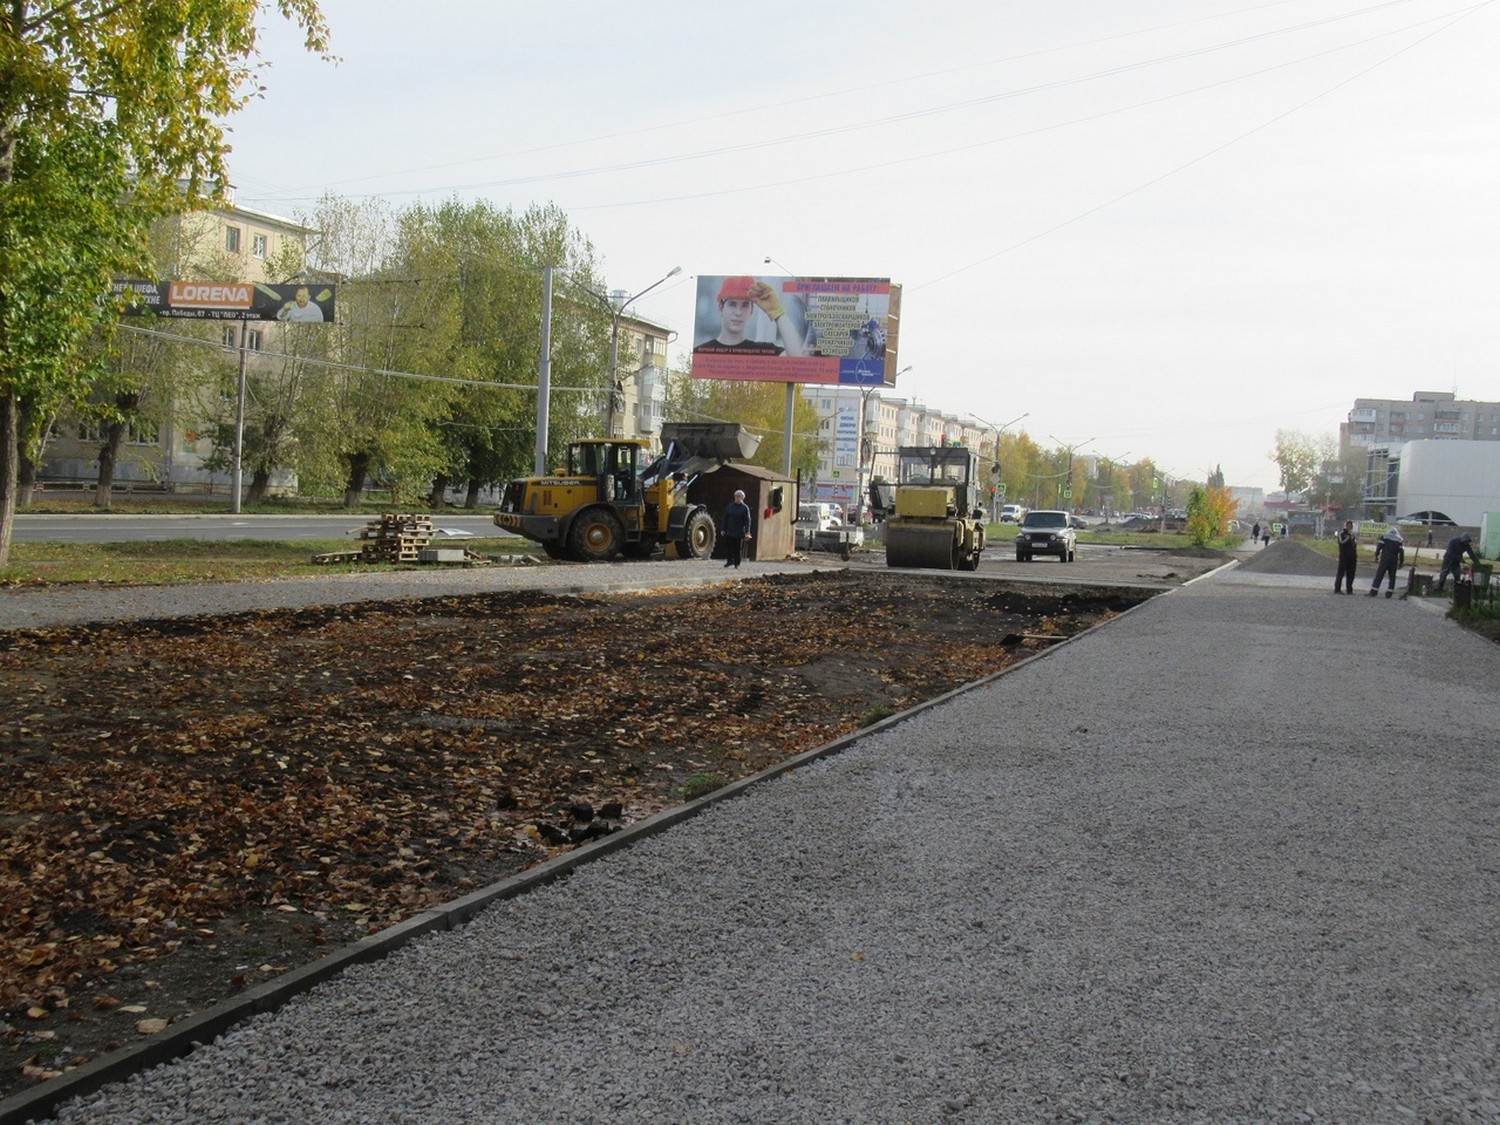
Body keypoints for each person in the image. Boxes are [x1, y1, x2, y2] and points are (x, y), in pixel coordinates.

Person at [694, 276, 806, 356]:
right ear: (721, 308)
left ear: (751, 311)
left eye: (745, 305)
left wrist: (778, 313)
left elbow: (797, 361)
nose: (738, 312)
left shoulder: (762, 351)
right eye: (732, 304)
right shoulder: (702, 352)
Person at [1368, 525, 1405, 598]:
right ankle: (1389, 593)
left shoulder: (1384, 537)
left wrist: (1376, 555)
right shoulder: (1399, 539)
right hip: (1394, 559)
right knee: (1392, 576)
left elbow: (1379, 547)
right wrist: (1401, 562)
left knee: (1380, 574)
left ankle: (1374, 591)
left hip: (1385, 558)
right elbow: (1402, 552)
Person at [721, 489, 753, 569]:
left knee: (737, 548)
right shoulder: (730, 506)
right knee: (728, 547)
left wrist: (747, 532)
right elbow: (725, 517)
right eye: (735, 496)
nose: (736, 498)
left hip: (739, 531)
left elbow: (747, 520)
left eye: (738, 496)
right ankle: (729, 561)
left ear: (742, 498)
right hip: (729, 530)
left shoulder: (745, 508)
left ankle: (737, 563)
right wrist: (723, 529)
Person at [1334, 519, 1357, 594]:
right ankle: (1337, 589)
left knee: (1351, 574)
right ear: (1346, 526)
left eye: (1351, 526)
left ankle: (1349, 589)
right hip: (1344, 557)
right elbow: (1341, 542)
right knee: (1341, 573)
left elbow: (1354, 545)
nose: (1350, 527)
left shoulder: (1353, 535)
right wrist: (1348, 536)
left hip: (1352, 557)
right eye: (1348, 525)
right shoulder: (1342, 533)